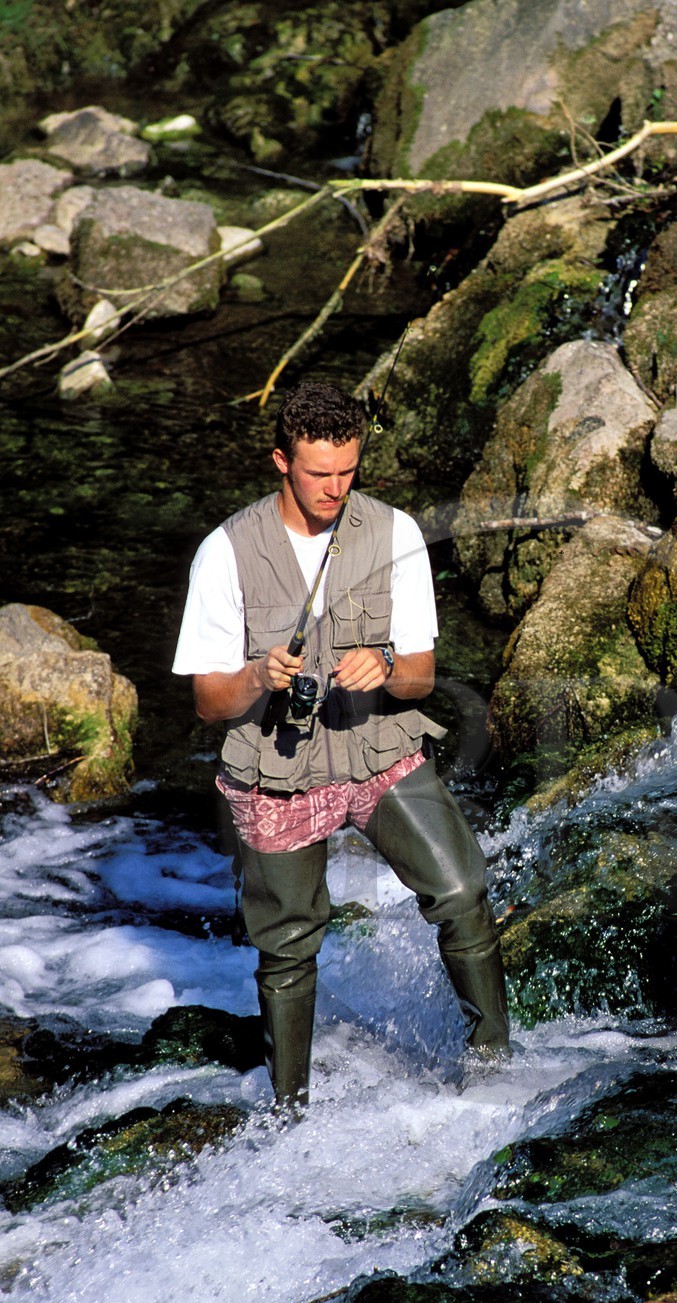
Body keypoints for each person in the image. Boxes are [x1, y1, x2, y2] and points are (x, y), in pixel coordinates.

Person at [172, 378, 510, 1106]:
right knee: (289, 944)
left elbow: (421, 677)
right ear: (280, 461)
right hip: (276, 769)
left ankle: (493, 1071)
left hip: (377, 749)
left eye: (348, 471)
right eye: (319, 473)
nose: (335, 488)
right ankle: (288, 1109)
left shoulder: (395, 533)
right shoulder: (225, 552)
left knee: (462, 889)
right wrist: (259, 674)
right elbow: (207, 701)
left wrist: (386, 667)